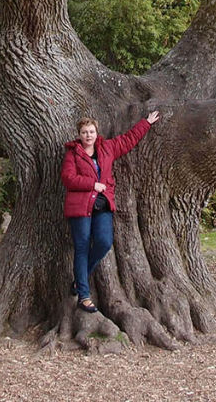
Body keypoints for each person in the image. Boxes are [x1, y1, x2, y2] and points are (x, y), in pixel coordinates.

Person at [60, 109, 160, 313]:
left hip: (103, 204)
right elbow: (68, 178)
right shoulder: (73, 154)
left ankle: (80, 280)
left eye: (91, 131)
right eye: (84, 132)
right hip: (80, 206)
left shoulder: (107, 148)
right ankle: (84, 296)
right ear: (79, 135)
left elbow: (129, 139)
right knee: (82, 246)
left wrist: (146, 123)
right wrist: (92, 184)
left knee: (104, 242)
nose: (88, 135)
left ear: (97, 133)